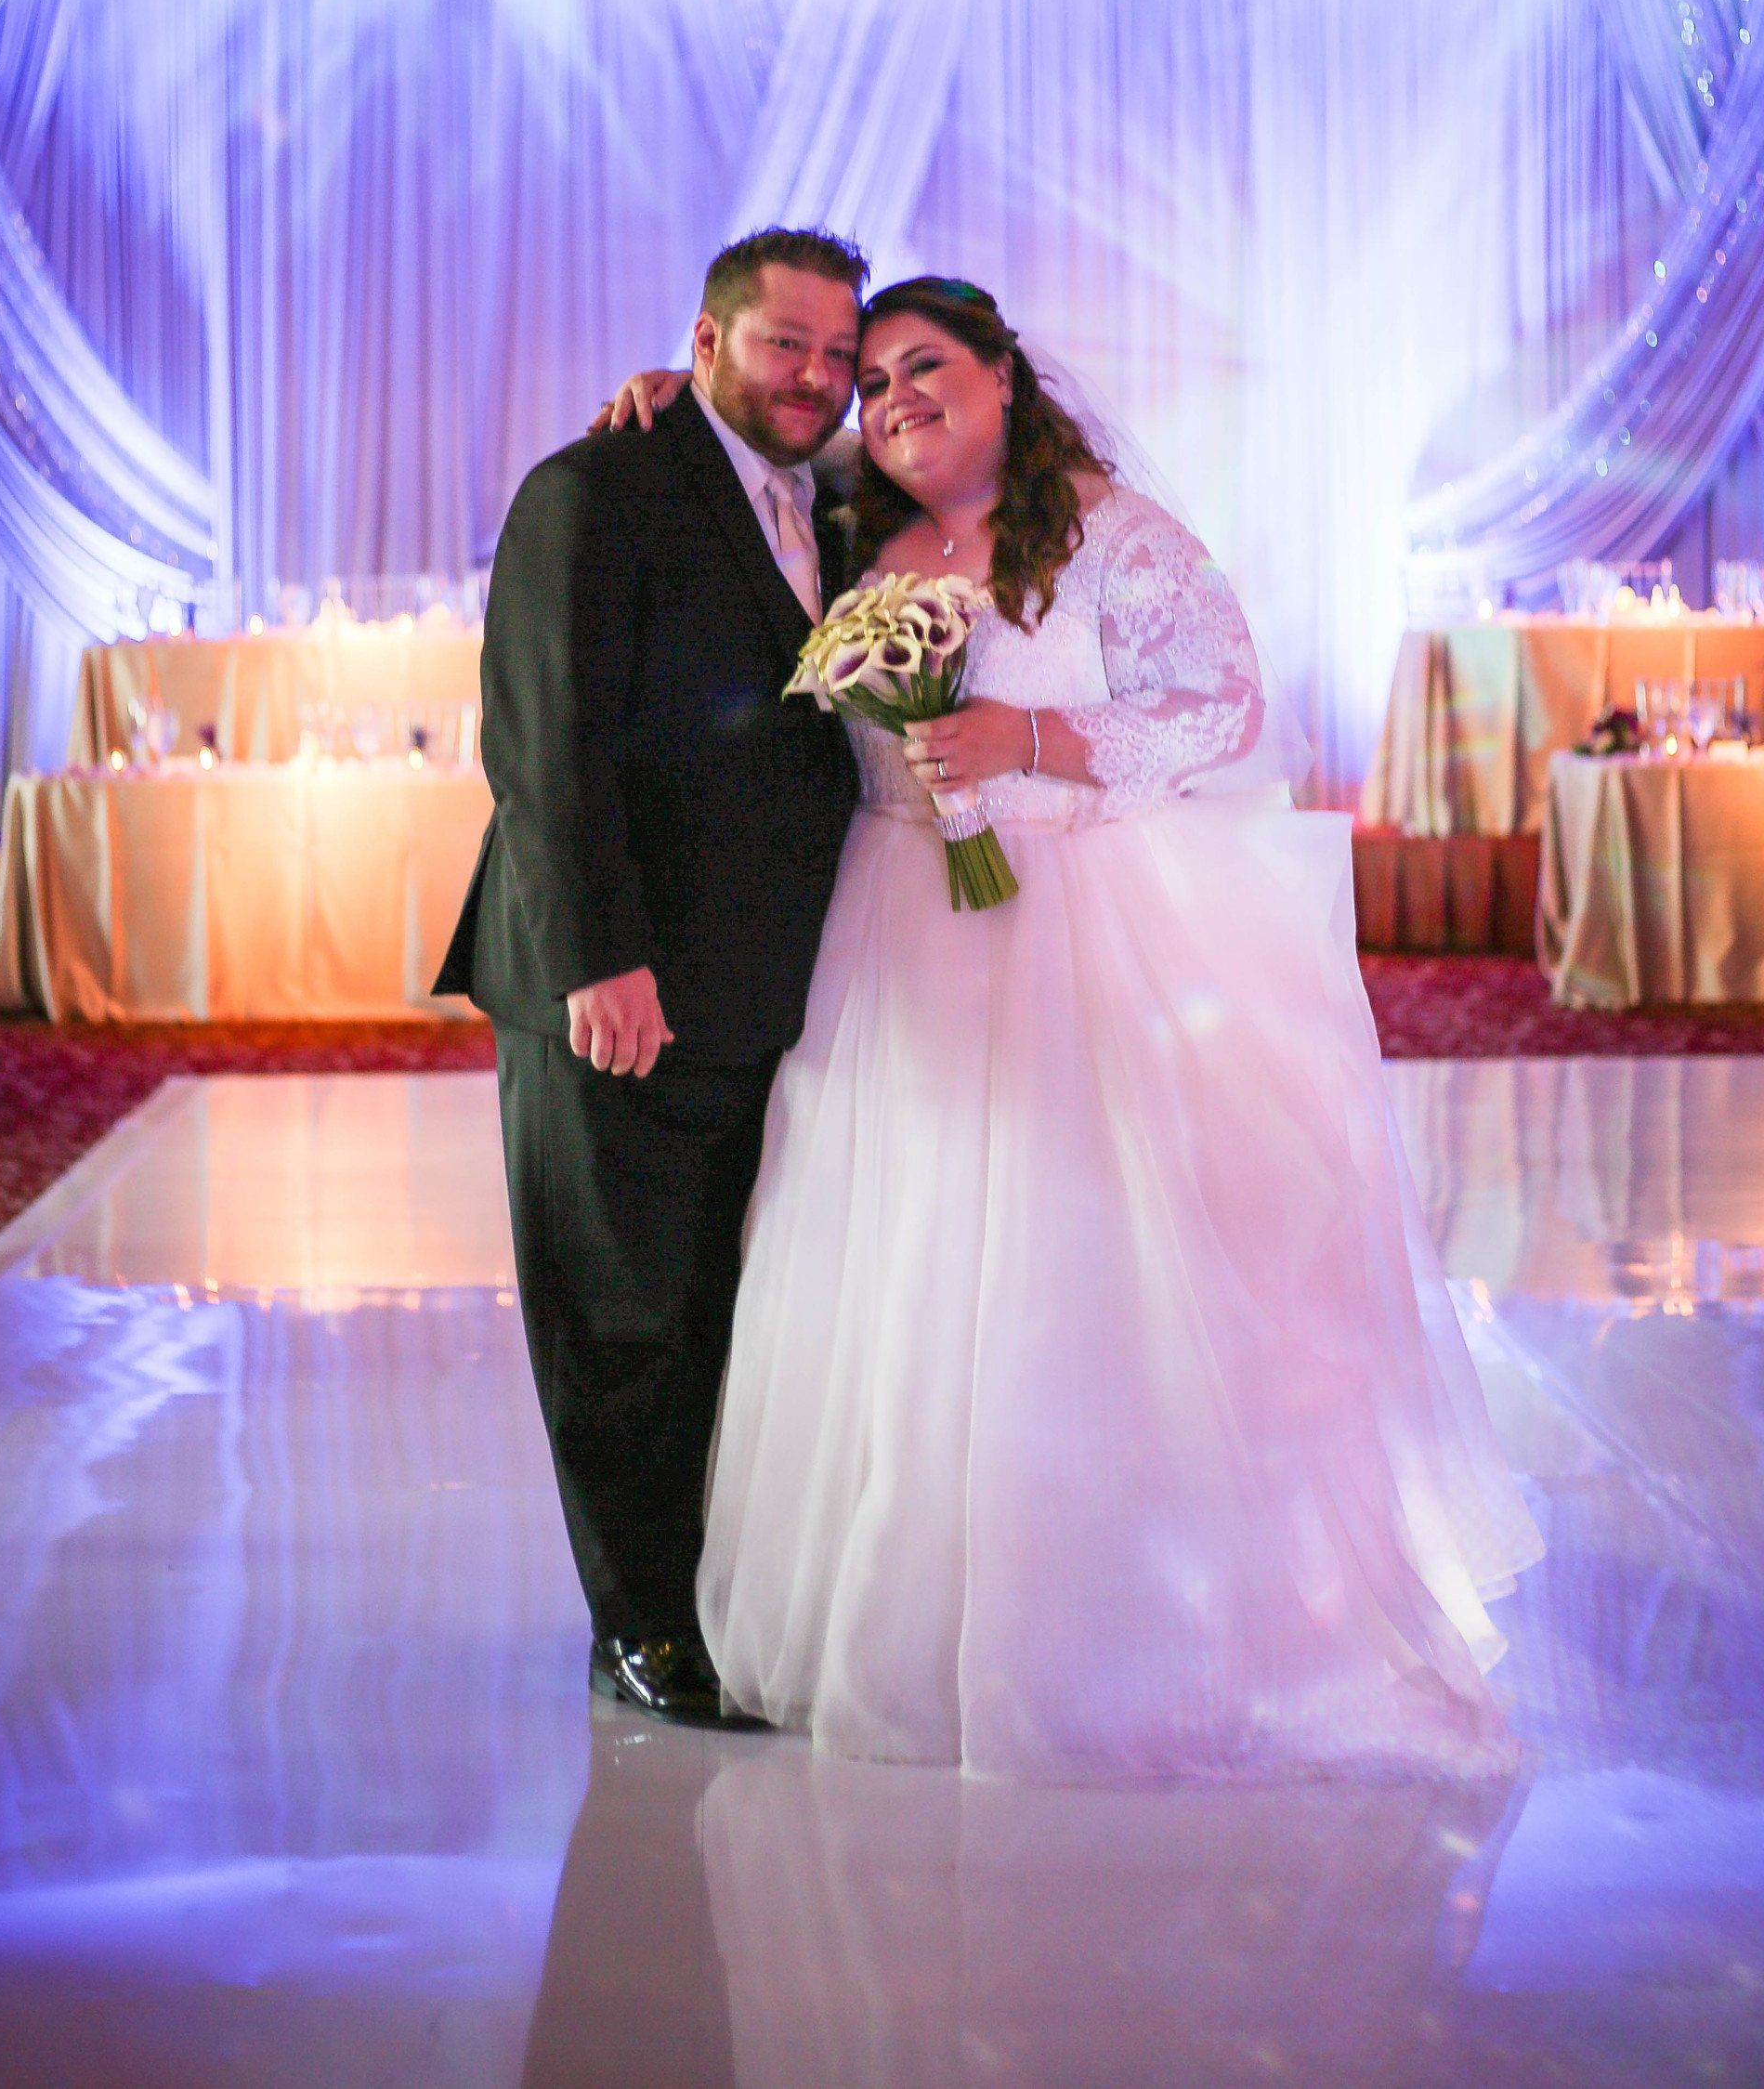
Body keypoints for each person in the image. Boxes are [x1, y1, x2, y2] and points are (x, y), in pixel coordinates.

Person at [608, 277, 1541, 1781]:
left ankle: (1125, 1625)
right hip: (898, 940)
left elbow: (1223, 703)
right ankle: (905, 1619)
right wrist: (664, 396)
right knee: (897, 1277)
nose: (893, 399)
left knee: (1081, 1275)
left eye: (926, 369)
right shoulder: (859, 530)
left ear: (1004, 379)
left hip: (1085, 934)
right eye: (873, 383)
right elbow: (744, 458)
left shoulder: (1108, 531)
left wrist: (1031, 738)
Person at [435, 228, 867, 1728]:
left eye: (838, 351)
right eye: (783, 344)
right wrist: (597, 961)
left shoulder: (842, 507)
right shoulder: (594, 489)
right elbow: (544, 749)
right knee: (616, 1309)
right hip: (618, 988)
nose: (816, 375)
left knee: (713, 1303)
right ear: (704, 338)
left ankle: (710, 1592)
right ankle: (637, 1627)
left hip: (763, 987)